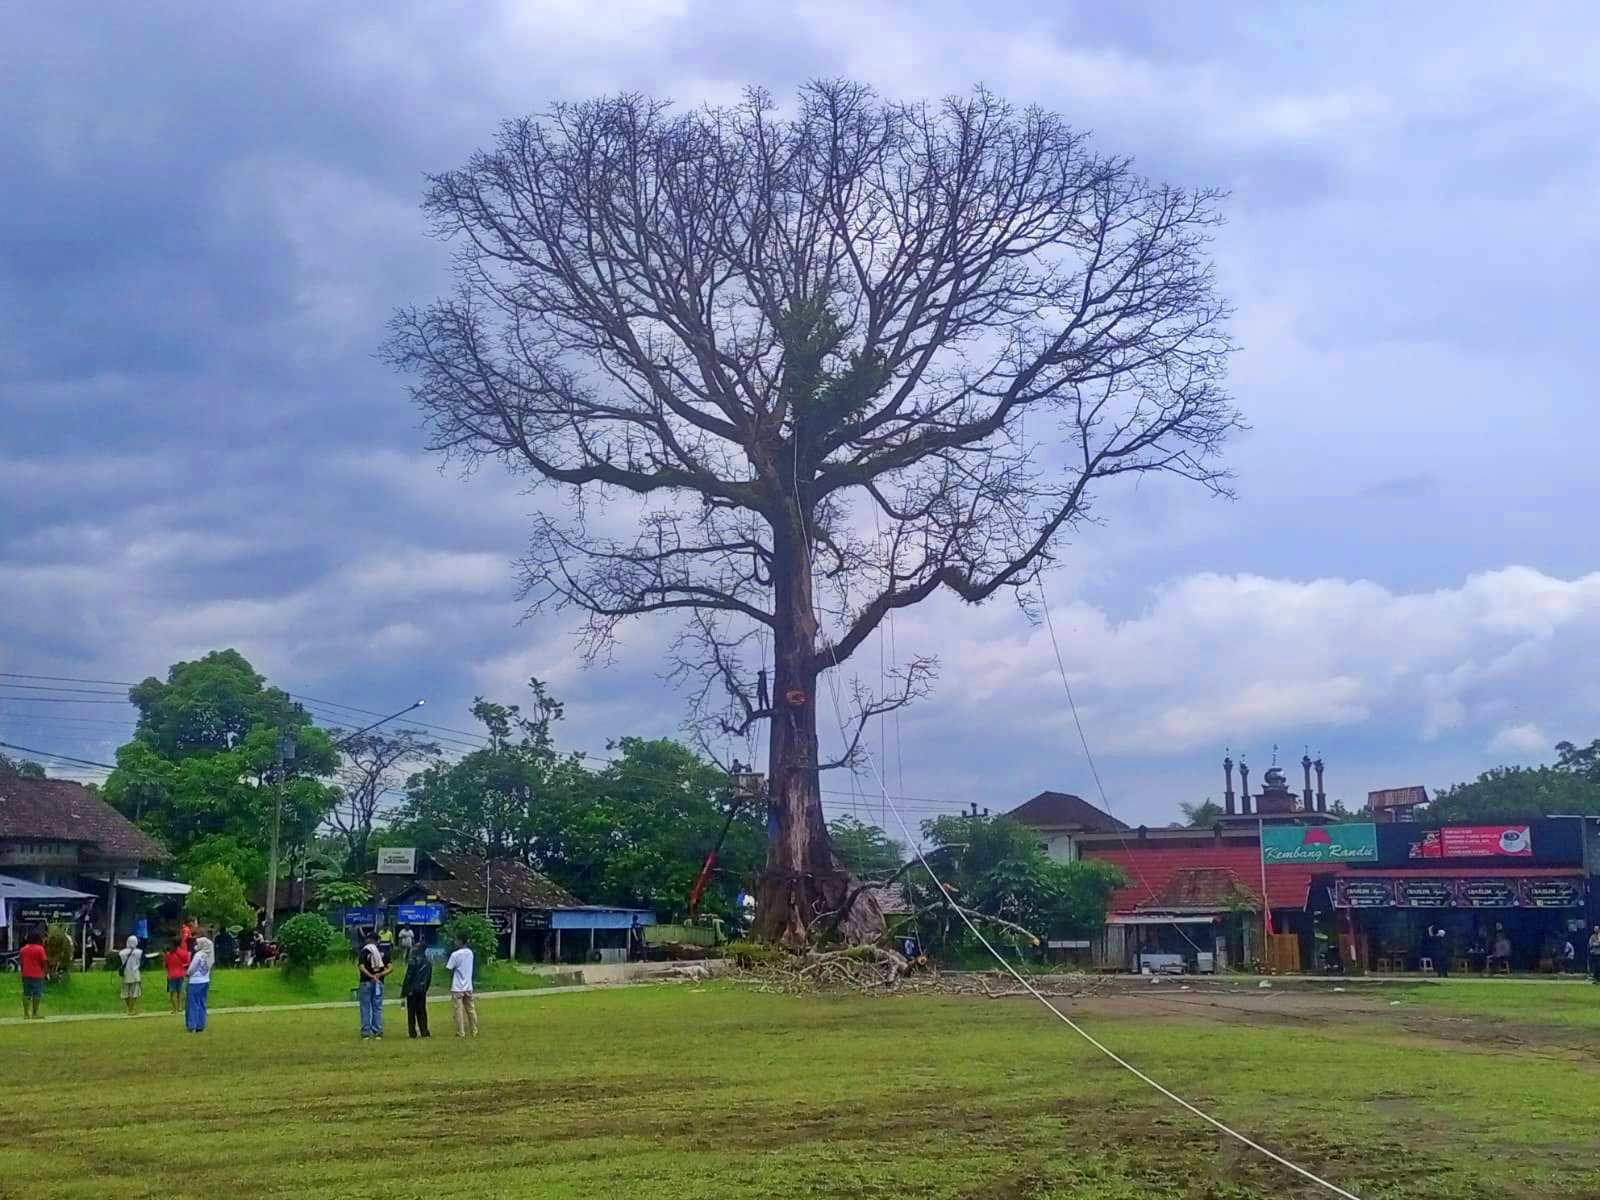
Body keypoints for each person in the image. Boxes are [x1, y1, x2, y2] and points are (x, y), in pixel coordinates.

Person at [358, 929, 390, 1040]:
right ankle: (378, 1031)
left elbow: (361, 967)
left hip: (366, 982)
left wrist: (371, 975)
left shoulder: (364, 951)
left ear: (370, 939)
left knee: (365, 1007)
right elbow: (390, 968)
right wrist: (379, 975)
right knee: (377, 1008)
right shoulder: (383, 952)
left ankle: (366, 1032)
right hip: (379, 982)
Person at [445, 932, 478, 1038]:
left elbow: (449, 968)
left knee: (458, 1010)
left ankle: (461, 1032)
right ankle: (474, 1030)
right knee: (471, 1009)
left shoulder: (455, 954)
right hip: (468, 985)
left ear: (460, 941)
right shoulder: (470, 953)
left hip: (458, 987)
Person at [400, 940, 432, 1039]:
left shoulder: (413, 960)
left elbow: (409, 976)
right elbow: (428, 978)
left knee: (411, 1012)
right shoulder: (428, 961)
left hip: (412, 989)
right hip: (422, 989)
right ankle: (424, 1031)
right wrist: (425, 988)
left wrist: (404, 990)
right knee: (422, 1011)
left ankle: (412, 1032)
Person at [185, 934, 213, 1033]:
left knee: (192, 1003)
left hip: (195, 981)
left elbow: (192, 968)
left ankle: (192, 1024)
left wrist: (187, 973)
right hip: (205, 980)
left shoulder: (198, 955)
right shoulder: (209, 954)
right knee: (202, 1002)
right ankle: (201, 1024)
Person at [19, 929, 47, 1020]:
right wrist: (45, 972)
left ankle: (26, 1014)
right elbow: (44, 962)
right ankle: (35, 1013)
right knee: (37, 994)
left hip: (26, 974)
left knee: (26, 994)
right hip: (37, 975)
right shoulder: (40, 949)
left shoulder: (23, 949)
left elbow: (21, 962)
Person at [116, 935, 144, 1016]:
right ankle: (131, 1009)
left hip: (125, 974)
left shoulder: (121, 953)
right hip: (135, 974)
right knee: (134, 992)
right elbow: (142, 962)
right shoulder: (139, 952)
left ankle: (129, 1009)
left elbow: (119, 963)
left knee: (125, 992)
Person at [164, 936, 191, 1015]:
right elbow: (187, 963)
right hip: (181, 974)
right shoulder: (183, 953)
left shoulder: (168, 954)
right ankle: (180, 1007)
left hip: (171, 975)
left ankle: (174, 1009)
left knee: (173, 993)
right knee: (180, 992)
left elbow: (165, 965)